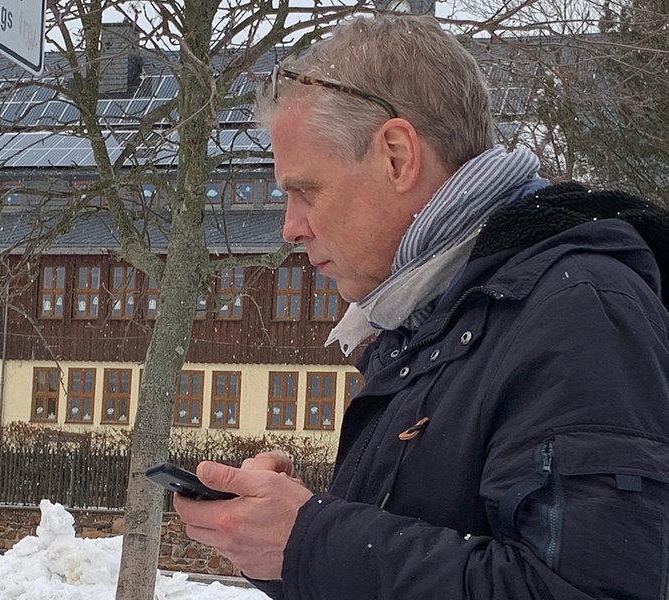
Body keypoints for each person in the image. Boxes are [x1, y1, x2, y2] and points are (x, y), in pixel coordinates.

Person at [173, 14, 669, 600]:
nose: (290, 228)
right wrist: (285, 537)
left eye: (306, 191)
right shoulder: (432, 319)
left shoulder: (579, 310)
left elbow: (584, 589)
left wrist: (311, 541)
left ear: (397, 155)